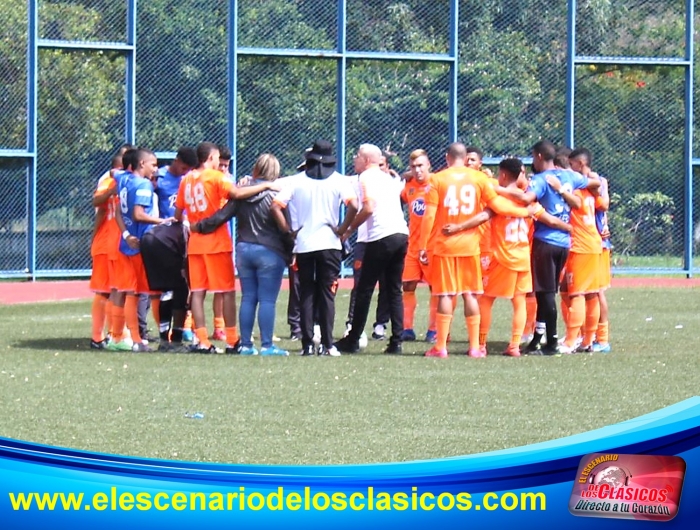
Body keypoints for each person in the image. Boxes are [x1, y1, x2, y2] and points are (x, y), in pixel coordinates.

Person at [418, 143, 531, 358]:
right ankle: (474, 347)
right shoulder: (479, 178)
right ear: (464, 157)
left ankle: (440, 347)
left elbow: (429, 216)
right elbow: (497, 206)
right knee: (470, 293)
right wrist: (524, 211)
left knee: (445, 293)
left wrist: (423, 245)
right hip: (471, 246)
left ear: (447, 157)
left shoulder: (437, 179)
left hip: (445, 245)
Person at [450, 158, 572, 356]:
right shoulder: (529, 200)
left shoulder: (499, 199)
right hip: (523, 257)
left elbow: (483, 216)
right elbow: (549, 219)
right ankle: (514, 345)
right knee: (519, 301)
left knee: (487, 299)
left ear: (504, 175)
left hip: (502, 257)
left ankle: (481, 344)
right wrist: (568, 227)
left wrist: (459, 228)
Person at [499, 140, 600, 356]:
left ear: (537, 156)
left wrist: (499, 189)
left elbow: (527, 197)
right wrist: (568, 189)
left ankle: (551, 343)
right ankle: (538, 337)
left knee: (545, 295)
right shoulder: (569, 176)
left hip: (546, 242)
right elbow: (594, 183)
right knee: (546, 292)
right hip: (564, 243)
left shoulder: (541, 179)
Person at [174, 142, 276, 354]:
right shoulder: (216, 177)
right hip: (216, 242)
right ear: (211, 157)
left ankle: (202, 340)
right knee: (226, 292)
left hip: (195, 243)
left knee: (198, 293)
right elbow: (237, 194)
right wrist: (265, 185)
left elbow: (178, 213)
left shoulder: (187, 180)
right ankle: (232, 340)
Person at [193, 154, 291, 356]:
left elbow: (222, 215)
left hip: (244, 249)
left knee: (248, 298)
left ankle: (245, 344)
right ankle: (266, 345)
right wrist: (290, 252)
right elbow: (285, 227)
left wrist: (201, 226)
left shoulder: (242, 192)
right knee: (267, 300)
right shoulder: (276, 194)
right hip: (270, 251)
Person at [271, 140, 358, 357]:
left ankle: (307, 344)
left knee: (307, 293)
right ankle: (328, 345)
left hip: (304, 245)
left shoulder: (296, 181)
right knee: (327, 294)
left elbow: (275, 205)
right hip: (330, 244)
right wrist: (342, 229)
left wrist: (287, 230)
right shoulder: (339, 181)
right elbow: (355, 205)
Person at [333, 143, 409, 355]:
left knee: (365, 288)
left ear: (367, 160)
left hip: (381, 236)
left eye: (357, 156)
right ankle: (396, 342)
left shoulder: (366, 177)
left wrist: (347, 229)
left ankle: (353, 339)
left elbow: (368, 207)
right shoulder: (388, 178)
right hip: (401, 234)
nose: (354, 159)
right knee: (394, 289)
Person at [112, 148, 171, 352]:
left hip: (127, 242)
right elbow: (138, 214)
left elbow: (119, 210)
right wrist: (163, 220)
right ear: (142, 164)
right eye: (153, 164)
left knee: (130, 292)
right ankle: (143, 339)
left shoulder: (124, 179)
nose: (155, 169)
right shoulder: (143, 184)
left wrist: (126, 234)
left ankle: (120, 336)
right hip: (142, 244)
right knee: (143, 292)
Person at [149, 146, 198, 350]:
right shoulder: (159, 177)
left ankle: (182, 331)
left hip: (186, 237)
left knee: (185, 287)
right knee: (167, 288)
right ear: (176, 161)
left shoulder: (190, 180)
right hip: (165, 238)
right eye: (184, 167)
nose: (185, 172)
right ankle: (165, 335)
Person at [399, 148, 437, 343]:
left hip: (432, 247)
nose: (417, 170)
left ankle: (433, 330)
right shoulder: (409, 186)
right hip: (412, 246)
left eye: (421, 165)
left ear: (428, 164)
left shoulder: (437, 184)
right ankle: (407, 329)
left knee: (435, 289)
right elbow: (398, 199)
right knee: (408, 285)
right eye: (413, 166)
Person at [89, 152, 124, 349]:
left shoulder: (132, 182)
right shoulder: (110, 181)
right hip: (107, 243)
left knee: (117, 289)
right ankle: (101, 336)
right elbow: (98, 205)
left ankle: (114, 334)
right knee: (106, 291)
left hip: (119, 243)